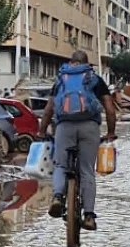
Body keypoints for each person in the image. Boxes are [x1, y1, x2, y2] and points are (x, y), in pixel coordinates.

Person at [38, 50, 117, 231]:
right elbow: (110, 109)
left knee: (61, 165)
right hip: (90, 127)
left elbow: (49, 109)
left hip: (64, 127)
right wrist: (110, 132)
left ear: (71, 62)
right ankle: (89, 215)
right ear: (86, 64)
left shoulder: (60, 80)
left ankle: (58, 197)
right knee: (87, 170)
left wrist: (42, 132)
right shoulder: (95, 79)